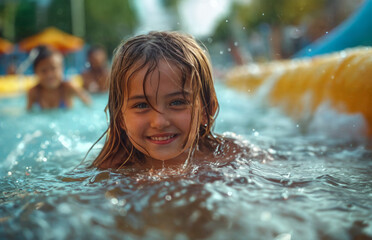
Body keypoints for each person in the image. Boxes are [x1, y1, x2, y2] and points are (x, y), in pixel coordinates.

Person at [90, 31, 268, 171]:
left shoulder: (233, 155)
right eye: (142, 105)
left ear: (207, 110)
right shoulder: (112, 170)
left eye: (177, 102)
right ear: (120, 118)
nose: (159, 122)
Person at [27, 45, 91, 110]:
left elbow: (89, 104)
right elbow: (28, 111)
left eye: (53, 68)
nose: (49, 75)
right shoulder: (34, 92)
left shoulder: (68, 87)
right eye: (44, 71)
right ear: (35, 72)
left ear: (62, 68)